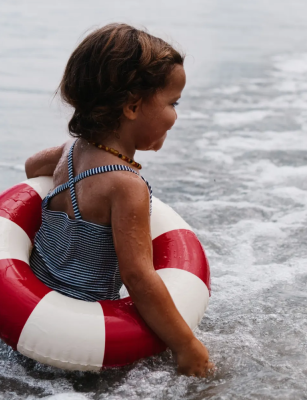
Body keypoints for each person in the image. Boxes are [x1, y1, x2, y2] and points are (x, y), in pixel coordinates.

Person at [25, 23, 214, 377]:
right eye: (172, 102)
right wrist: (188, 347)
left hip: (31, 326)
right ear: (132, 106)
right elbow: (139, 278)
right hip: (83, 347)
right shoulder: (126, 186)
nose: (176, 115)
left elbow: (31, 165)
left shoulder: (68, 153)